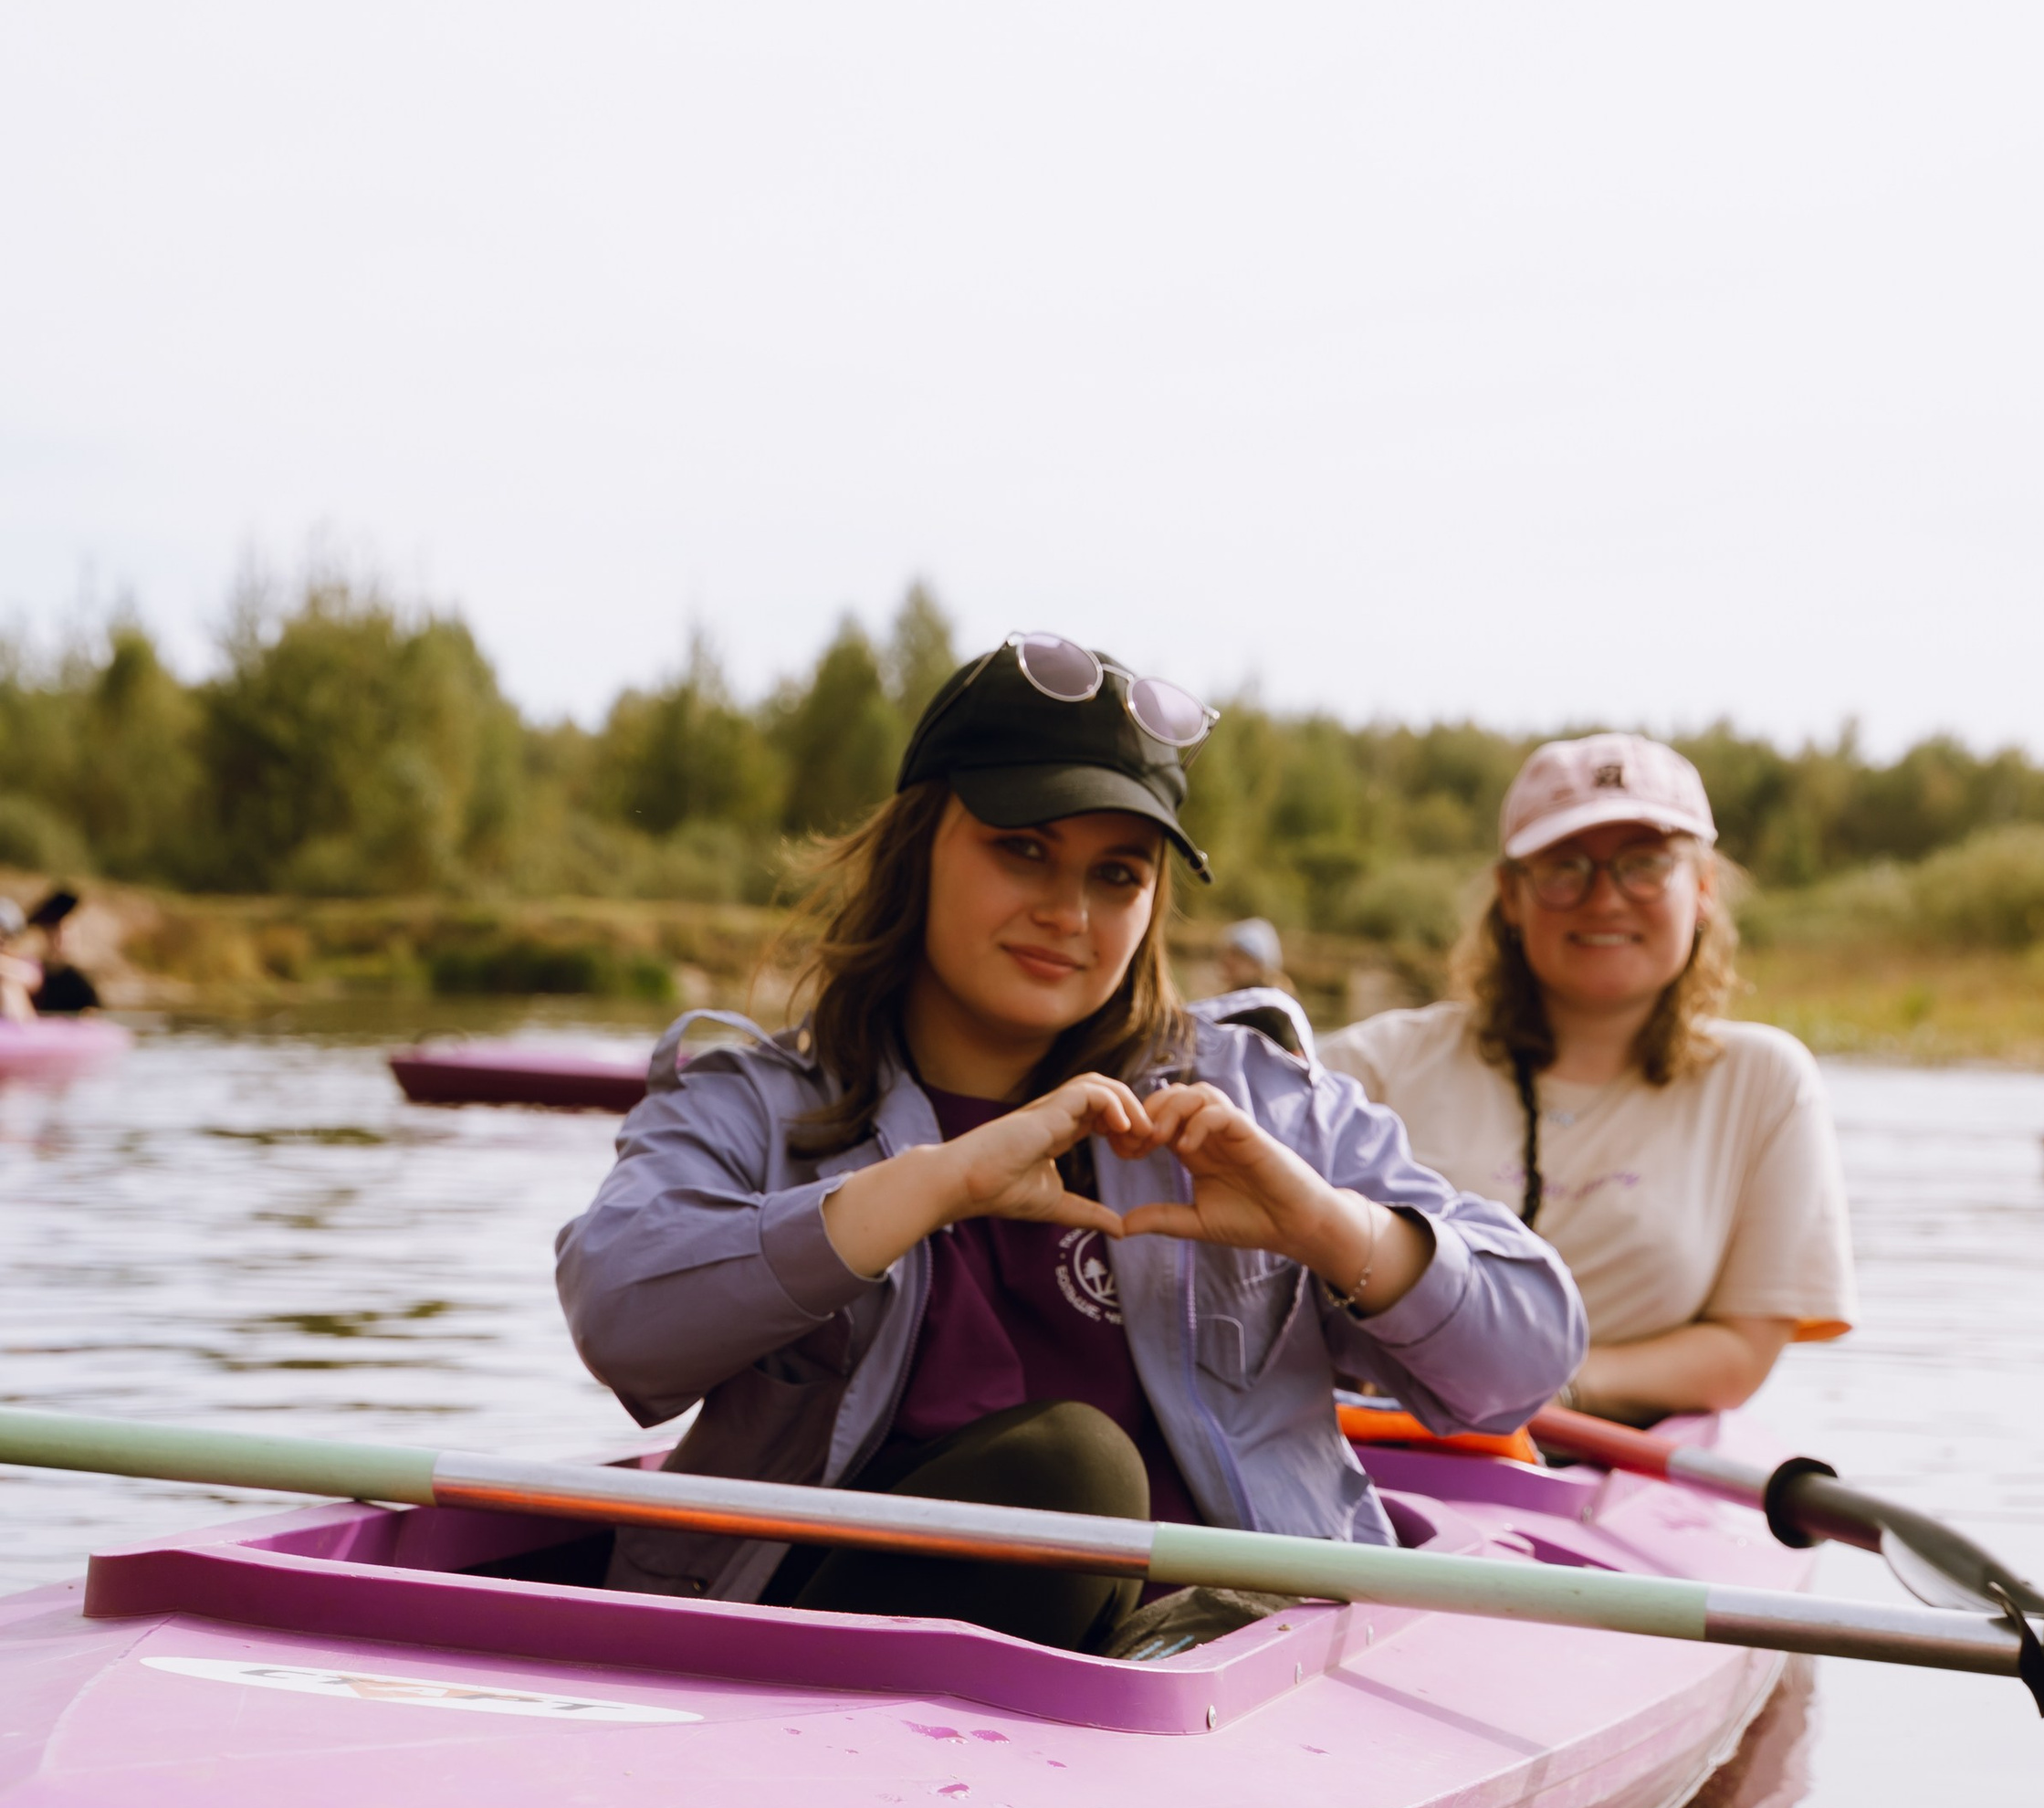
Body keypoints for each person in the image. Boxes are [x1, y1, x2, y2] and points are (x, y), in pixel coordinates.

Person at [557, 633, 1581, 1642]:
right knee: (1068, 1471)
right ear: (917, 851)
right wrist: (934, 1185)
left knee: (1078, 1478)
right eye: (1022, 849)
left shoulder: (1263, 1103)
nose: (1068, 912)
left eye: (1117, 875)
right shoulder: (752, 1100)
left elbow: (1526, 1363)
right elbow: (620, 1322)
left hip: (1219, 1681)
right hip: (826, 1665)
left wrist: (1323, 1224)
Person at [1321, 732, 1853, 1418]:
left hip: (1615, 1458)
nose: (1604, 900)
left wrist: (1549, 1388)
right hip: (1383, 1440)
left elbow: (1742, 1350)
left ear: (1703, 889)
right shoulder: (1372, 1067)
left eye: (1644, 865)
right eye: (1564, 867)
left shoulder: (1766, 1084)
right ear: (1511, 895)